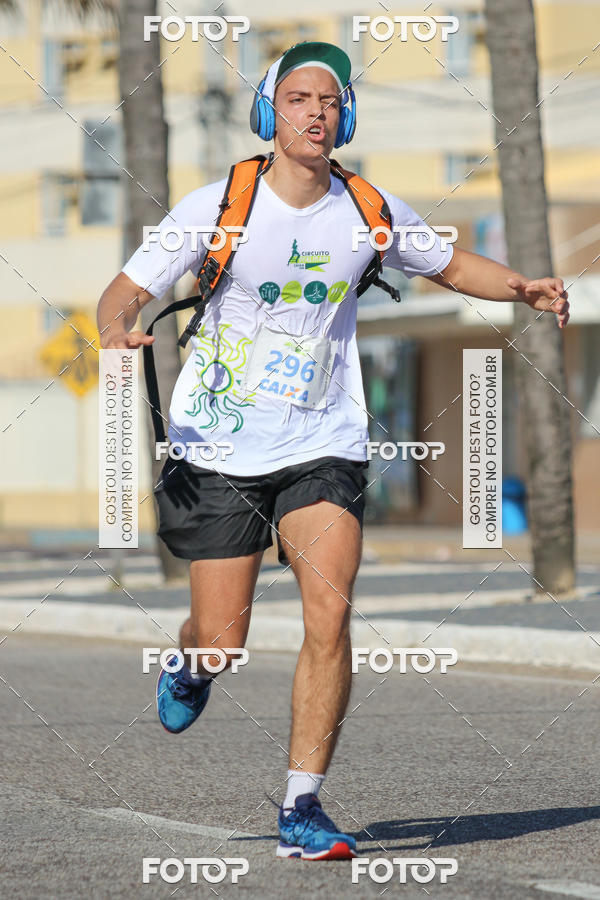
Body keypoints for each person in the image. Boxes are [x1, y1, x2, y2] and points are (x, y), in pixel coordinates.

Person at [97, 41, 570, 861]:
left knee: (331, 610)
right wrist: (114, 327)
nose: (316, 112)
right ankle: (194, 663)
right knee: (222, 637)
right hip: (218, 443)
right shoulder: (220, 205)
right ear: (269, 114)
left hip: (325, 440)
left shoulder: (368, 209)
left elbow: (454, 266)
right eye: (298, 99)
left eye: (329, 100)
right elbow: (128, 286)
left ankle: (302, 804)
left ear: (344, 115)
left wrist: (523, 286)